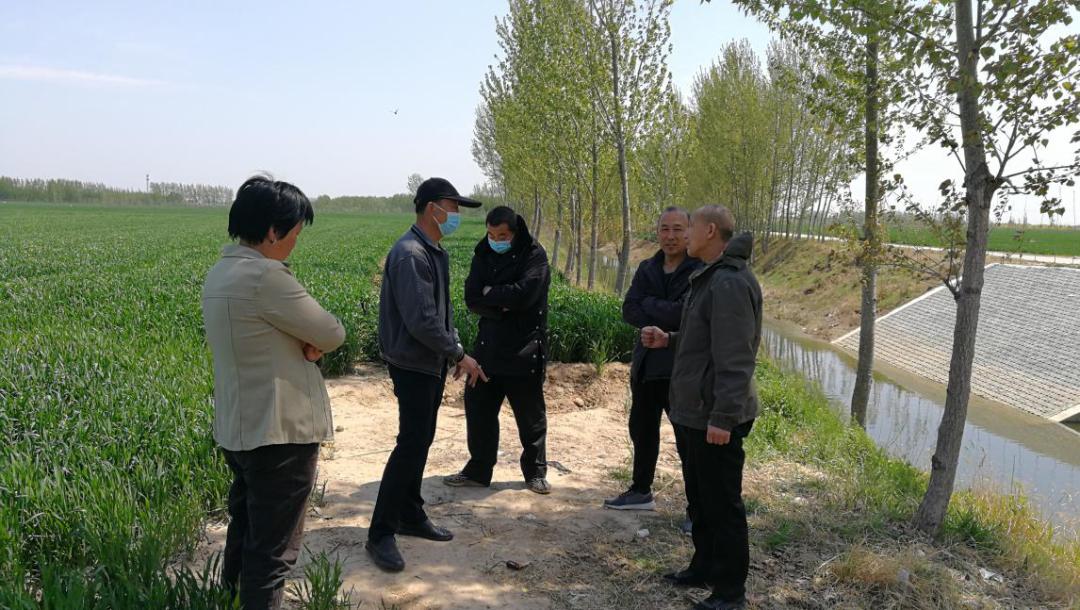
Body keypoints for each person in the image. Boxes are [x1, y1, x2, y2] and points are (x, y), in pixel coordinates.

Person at [202, 176, 346, 609]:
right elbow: (332, 331)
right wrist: (311, 343)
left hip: (240, 427)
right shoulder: (266, 277)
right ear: (271, 231)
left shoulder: (220, 272)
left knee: (245, 531)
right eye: (295, 234)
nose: (294, 244)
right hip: (280, 433)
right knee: (273, 553)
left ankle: (230, 601)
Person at [641, 205, 761, 610]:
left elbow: (735, 359)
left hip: (715, 414)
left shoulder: (728, 283)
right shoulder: (707, 278)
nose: (684, 235)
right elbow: (702, 339)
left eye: (689, 227)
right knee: (701, 498)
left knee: (722, 504)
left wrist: (723, 418)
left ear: (710, 231)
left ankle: (730, 592)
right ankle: (704, 566)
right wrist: (669, 339)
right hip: (695, 409)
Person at [367, 177, 488, 573]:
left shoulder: (432, 251)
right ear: (432, 208)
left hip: (429, 362)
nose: (455, 216)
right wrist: (458, 353)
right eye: (453, 208)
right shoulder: (410, 255)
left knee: (421, 441)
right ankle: (380, 533)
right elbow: (421, 321)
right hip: (413, 363)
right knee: (411, 443)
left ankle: (410, 512)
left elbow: (439, 313)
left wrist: (449, 351)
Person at [443, 205, 553, 494]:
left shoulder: (535, 255)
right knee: (478, 410)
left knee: (531, 417)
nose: (496, 240)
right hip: (488, 347)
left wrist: (492, 293)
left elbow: (526, 294)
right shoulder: (483, 254)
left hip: (525, 348)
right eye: (491, 234)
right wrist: (501, 302)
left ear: (515, 232)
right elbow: (472, 297)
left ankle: (535, 472)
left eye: (502, 235)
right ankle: (478, 470)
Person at [605, 207, 701, 533]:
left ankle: (697, 507)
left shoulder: (699, 271)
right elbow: (628, 310)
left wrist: (650, 307)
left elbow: (688, 316)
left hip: (681, 370)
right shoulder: (648, 267)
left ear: (690, 233)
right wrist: (657, 311)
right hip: (646, 367)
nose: (670, 236)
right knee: (642, 432)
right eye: (664, 229)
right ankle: (640, 490)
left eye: (677, 229)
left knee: (688, 441)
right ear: (657, 232)